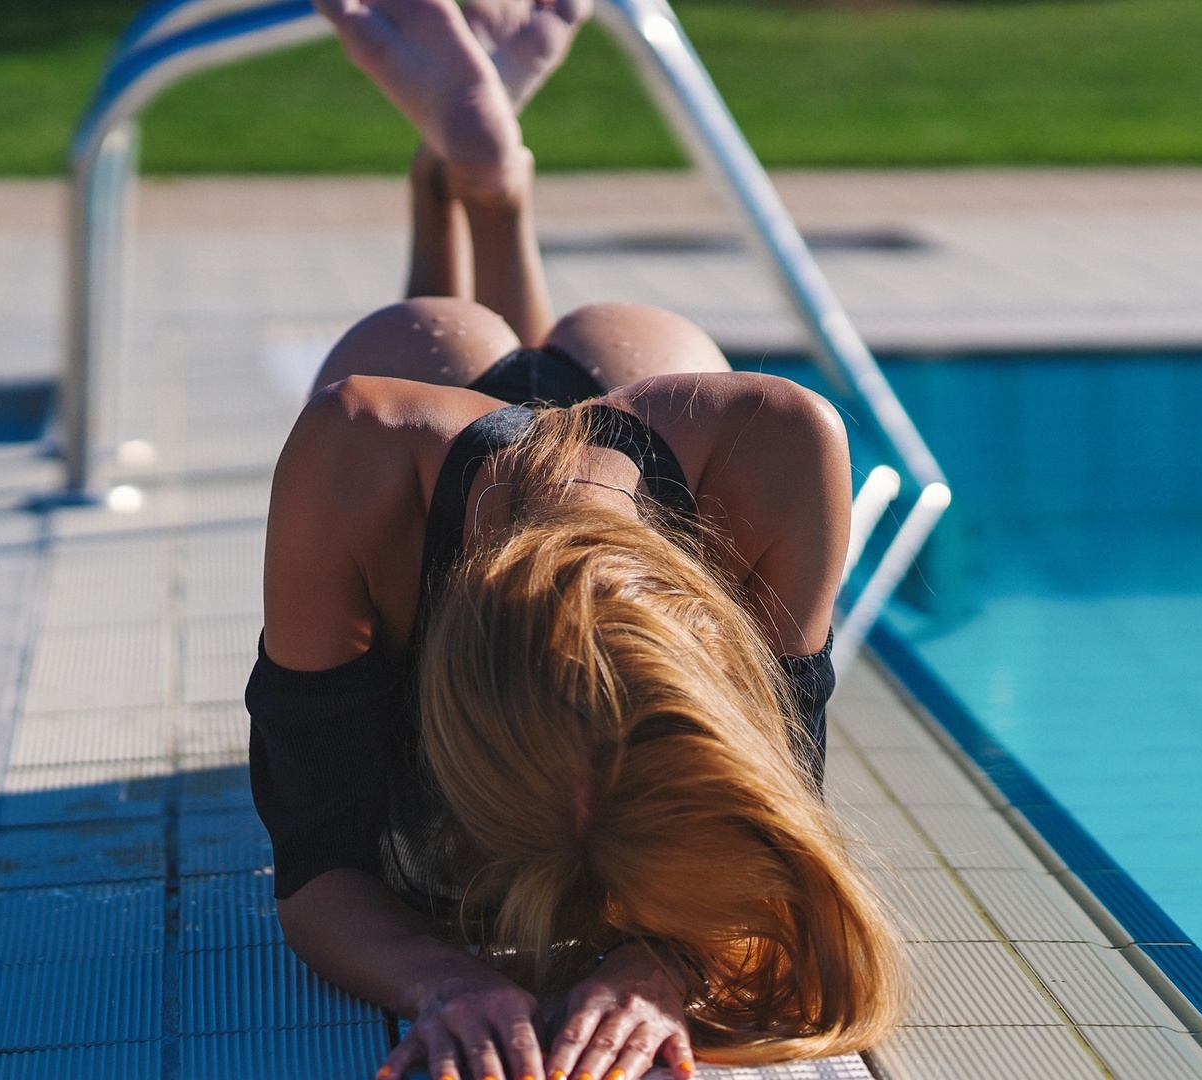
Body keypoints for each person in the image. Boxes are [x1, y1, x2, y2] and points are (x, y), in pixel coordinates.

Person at [246, 0, 904, 1076]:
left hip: (668, 443)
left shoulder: (781, 447)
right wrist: (442, 975)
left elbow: (781, 838)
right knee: (442, 347)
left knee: (457, 350)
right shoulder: (354, 446)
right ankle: (471, 185)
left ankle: (480, 184)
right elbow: (312, 869)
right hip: (529, 424)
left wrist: (665, 966)